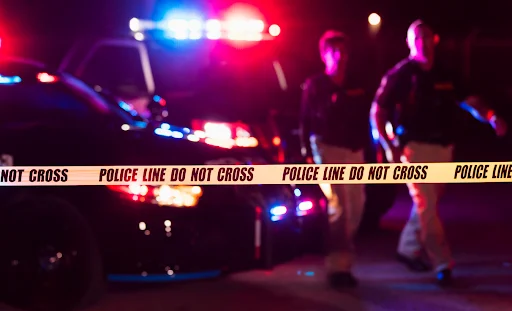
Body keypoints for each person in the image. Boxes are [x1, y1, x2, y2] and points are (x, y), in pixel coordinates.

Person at [370, 19, 507, 286]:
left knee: (428, 204)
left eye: (426, 37)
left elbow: (469, 100)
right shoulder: (400, 74)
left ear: (435, 40)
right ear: (409, 43)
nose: (422, 42)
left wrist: (491, 117)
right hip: (415, 148)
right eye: (416, 38)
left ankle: (407, 249)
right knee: (426, 204)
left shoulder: (446, 72)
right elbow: (378, 110)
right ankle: (442, 262)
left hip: (443, 149)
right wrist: (388, 146)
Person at [299, 30, 372, 288]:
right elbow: (306, 122)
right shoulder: (315, 85)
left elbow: (368, 118)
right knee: (338, 205)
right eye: (334, 51)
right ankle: (338, 266)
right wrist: (307, 154)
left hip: (354, 151)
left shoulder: (358, 84)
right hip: (326, 148)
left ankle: (340, 250)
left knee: (357, 205)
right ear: (324, 55)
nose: (340, 56)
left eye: (343, 51)